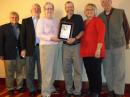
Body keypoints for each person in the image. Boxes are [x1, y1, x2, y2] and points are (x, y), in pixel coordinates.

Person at [99, 0, 130, 97]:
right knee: (107, 69)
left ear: (111, 2)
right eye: (103, 2)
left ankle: (119, 92)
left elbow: (126, 28)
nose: (106, 3)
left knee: (119, 69)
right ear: (101, 4)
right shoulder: (100, 16)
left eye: (107, 1)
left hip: (119, 45)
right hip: (106, 47)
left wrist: (127, 42)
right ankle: (111, 89)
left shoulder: (120, 12)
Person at [80, 3, 105, 97]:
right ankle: (91, 90)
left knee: (96, 72)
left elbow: (101, 36)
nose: (89, 11)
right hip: (85, 52)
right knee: (89, 72)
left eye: (91, 9)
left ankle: (96, 92)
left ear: (95, 11)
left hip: (96, 52)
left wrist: (98, 49)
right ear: (85, 12)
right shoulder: (83, 22)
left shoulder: (98, 21)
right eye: (87, 9)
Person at [36, 2, 60, 97]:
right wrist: (51, 38)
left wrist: (60, 38)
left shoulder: (56, 20)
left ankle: (50, 86)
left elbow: (59, 33)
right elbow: (39, 34)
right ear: (44, 10)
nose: (49, 10)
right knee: (46, 70)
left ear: (53, 10)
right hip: (46, 46)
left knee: (53, 69)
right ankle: (45, 92)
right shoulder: (41, 20)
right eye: (47, 8)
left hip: (55, 46)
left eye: (51, 8)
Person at [60, 1, 84, 97]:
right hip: (65, 47)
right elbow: (61, 33)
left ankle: (77, 91)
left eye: (71, 7)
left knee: (78, 70)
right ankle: (69, 90)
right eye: (68, 7)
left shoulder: (78, 17)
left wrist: (75, 38)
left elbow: (82, 31)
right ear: (65, 8)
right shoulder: (62, 19)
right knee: (66, 69)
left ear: (73, 8)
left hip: (77, 46)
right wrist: (62, 37)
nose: (69, 8)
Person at [0, 12, 25, 96]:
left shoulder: (22, 27)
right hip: (8, 53)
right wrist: (1, 54)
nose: (14, 19)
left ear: (18, 18)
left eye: (16, 17)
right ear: (9, 18)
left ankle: (19, 86)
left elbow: (25, 40)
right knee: (9, 72)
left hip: (20, 53)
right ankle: (10, 88)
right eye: (12, 17)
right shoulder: (3, 27)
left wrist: (25, 50)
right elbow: (1, 41)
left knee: (20, 71)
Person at [20, 3, 42, 96]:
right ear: (31, 11)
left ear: (40, 11)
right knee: (29, 70)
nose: (36, 10)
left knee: (41, 70)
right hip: (29, 49)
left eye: (38, 8)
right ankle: (31, 89)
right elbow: (22, 36)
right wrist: (23, 49)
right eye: (34, 8)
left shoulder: (43, 20)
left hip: (41, 48)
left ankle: (41, 87)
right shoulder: (25, 21)